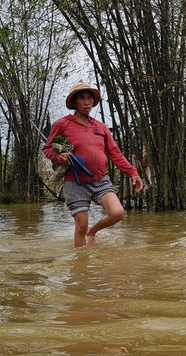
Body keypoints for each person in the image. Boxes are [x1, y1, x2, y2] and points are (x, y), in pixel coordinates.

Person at [43, 82, 144, 248]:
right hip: (75, 182)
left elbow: (115, 153)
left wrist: (133, 173)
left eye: (89, 98)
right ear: (74, 102)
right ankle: (81, 268)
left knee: (117, 213)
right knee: (81, 226)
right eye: (82, 98)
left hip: (100, 180)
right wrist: (58, 156)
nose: (87, 102)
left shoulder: (101, 127)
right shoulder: (62, 124)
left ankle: (94, 231)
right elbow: (47, 148)